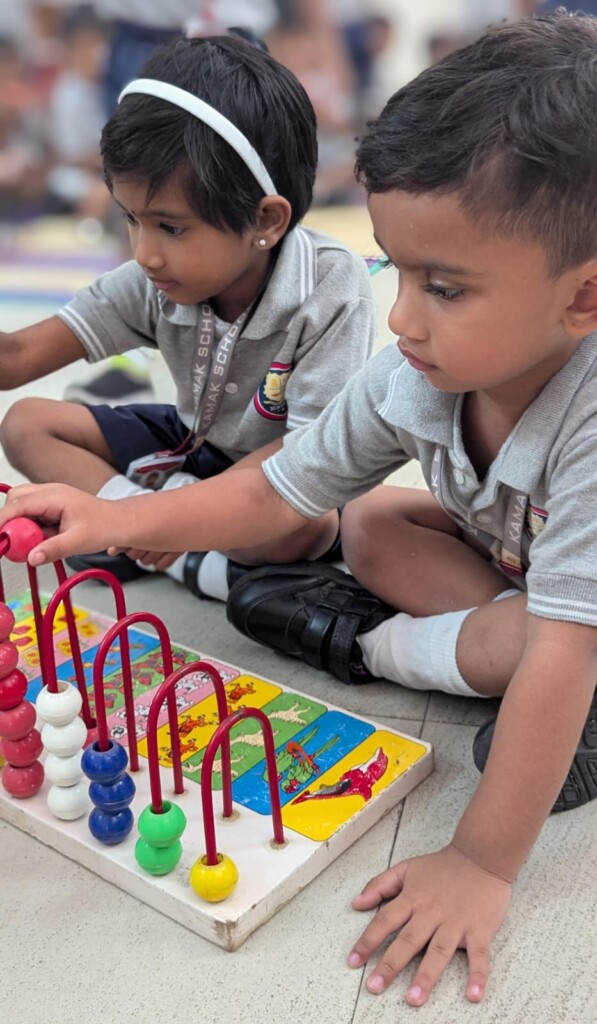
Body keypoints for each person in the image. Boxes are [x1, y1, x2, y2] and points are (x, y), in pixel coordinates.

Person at [1, 10, 596, 1005]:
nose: (400, 317)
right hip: (522, 566)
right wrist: (116, 522)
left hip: (567, 611)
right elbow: (281, 484)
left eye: (443, 286)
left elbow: (566, 642)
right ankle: (515, 667)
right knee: (369, 526)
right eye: (399, 270)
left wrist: (483, 864)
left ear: (583, 301)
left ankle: (396, 660)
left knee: (548, 650)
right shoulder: (421, 373)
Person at [0, 34, 376, 601]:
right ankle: (183, 552)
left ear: (266, 221)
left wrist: (154, 515)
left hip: (280, 474)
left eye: (170, 227)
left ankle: (149, 539)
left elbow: (307, 458)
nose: (145, 252)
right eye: (131, 219)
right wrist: (159, 511)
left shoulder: (329, 287)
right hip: (190, 448)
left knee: (303, 529)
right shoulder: (157, 279)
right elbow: (21, 357)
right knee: (27, 423)